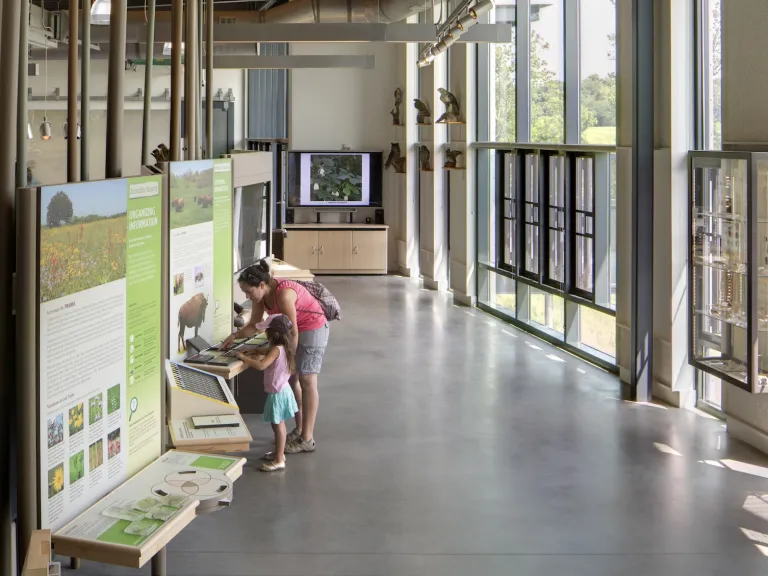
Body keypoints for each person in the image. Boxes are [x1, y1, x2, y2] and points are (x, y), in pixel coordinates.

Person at [224, 259, 329, 454]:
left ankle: (307, 438)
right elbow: (254, 325)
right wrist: (234, 336)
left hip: (312, 328)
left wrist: (288, 361)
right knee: (293, 380)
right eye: (244, 292)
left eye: (249, 291)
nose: (247, 296)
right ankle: (299, 429)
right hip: (294, 331)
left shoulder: (284, 295)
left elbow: (294, 332)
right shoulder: (261, 297)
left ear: (262, 285)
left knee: (306, 379)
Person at [235, 315, 298, 472]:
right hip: (283, 390)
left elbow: (262, 365)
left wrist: (243, 358)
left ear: (273, 333)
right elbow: (267, 352)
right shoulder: (285, 346)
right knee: (278, 424)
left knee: (278, 426)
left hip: (278, 393)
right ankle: (279, 453)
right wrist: (254, 349)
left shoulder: (276, 349)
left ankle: (278, 460)